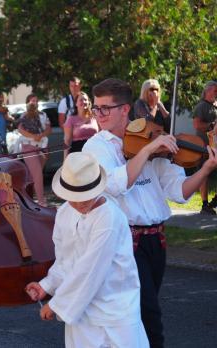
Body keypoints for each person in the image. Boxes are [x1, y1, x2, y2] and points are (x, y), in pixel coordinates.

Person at [82, 78, 217, 348]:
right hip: (124, 242)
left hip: (156, 240)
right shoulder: (96, 147)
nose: (99, 114)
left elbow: (179, 191)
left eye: (105, 108)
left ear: (125, 110)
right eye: (96, 109)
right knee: (148, 316)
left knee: (143, 314)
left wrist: (205, 169)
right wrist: (147, 150)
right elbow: (118, 184)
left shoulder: (152, 138)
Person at [26, 152, 148, 348]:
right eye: (75, 197)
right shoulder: (65, 212)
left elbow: (91, 268)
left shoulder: (109, 218)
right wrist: (46, 285)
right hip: (82, 313)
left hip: (115, 311)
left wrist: (58, 304)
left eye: (86, 196)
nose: (81, 203)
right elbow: (66, 259)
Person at [17, 94, 52, 207]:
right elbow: (20, 129)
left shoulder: (43, 115)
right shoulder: (24, 115)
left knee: (34, 175)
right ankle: (41, 202)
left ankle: (28, 199)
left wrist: (41, 135)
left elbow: (48, 128)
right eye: (32, 101)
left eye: (36, 101)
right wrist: (34, 136)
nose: (35, 103)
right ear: (27, 103)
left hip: (42, 146)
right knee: (37, 174)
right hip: (28, 147)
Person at [191, 80, 217, 214]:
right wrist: (212, 126)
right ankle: (205, 205)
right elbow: (196, 125)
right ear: (207, 91)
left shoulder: (215, 105)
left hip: (215, 146)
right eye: (215, 91)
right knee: (204, 173)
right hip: (203, 145)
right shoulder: (201, 106)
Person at [63, 92, 98, 160]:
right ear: (76, 103)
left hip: (95, 152)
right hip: (78, 153)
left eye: (85, 99)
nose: (84, 101)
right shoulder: (71, 119)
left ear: (88, 102)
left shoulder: (95, 117)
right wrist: (65, 160)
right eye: (81, 100)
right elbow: (67, 141)